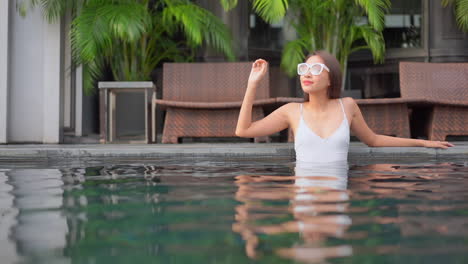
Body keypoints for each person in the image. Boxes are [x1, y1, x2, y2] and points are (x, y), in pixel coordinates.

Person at [236, 50, 454, 167]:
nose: (307, 74)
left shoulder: (347, 106)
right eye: (304, 68)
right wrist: (252, 84)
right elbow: (243, 131)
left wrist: (422, 142)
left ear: (331, 78)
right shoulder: (292, 111)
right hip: (304, 199)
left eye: (316, 68)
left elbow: (374, 140)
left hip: (337, 197)